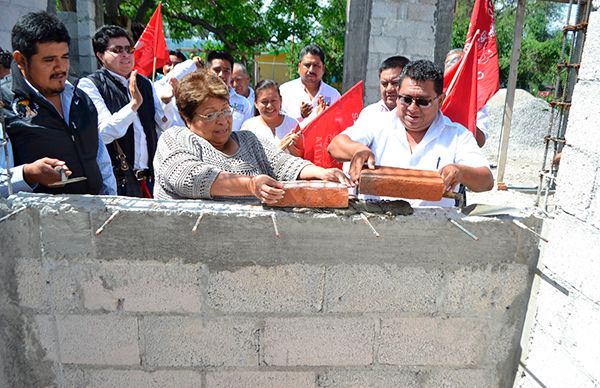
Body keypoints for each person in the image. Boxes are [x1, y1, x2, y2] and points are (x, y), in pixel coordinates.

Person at [153, 69, 351, 202]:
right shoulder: (174, 138)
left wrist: (322, 173)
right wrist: (251, 184)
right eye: (211, 115)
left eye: (225, 110)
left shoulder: (248, 140)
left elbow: (283, 163)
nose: (222, 120)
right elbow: (189, 177)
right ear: (187, 117)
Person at [328, 59, 493, 207]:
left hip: (433, 230)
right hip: (377, 224)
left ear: (440, 100)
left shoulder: (457, 135)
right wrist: (357, 150)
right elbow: (335, 145)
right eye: (406, 99)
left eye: (422, 102)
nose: (412, 108)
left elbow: (486, 181)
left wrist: (460, 171)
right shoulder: (376, 122)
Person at [2, 11, 116, 196]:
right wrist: (27, 174)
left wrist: (111, 203)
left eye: (64, 57)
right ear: (20, 60)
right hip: (34, 222)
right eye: (49, 60)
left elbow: (101, 162)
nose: (61, 67)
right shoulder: (4, 104)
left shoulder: (80, 98)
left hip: (94, 217)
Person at [78, 25, 178, 197]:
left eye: (128, 49)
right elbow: (104, 133)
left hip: (151, 180)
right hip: (117, 182)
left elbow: (163, 125)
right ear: (100, 55)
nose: (125, 55)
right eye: (117, 50)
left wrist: (168, 102)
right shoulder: (90, 85)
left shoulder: (144, 82)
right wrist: (134, 105)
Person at [157, 50, 253, 132]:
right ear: (207, 70)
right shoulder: (193, 98)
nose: (221, 75)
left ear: (231, 73)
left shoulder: (244, 103)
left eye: (226, 71)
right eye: (217, 69)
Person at [279, 44, 340, 128]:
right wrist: (300, 116)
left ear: (323, 69)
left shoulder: (333, 95)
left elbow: (339, 123)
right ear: (299, 67)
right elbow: (278, 123)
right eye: (307, 65)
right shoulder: (284, 91)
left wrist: (326, 117)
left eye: (316, 65)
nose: (311, 70)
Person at [240, 80, 303, 157]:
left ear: (281, 100)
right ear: (256, 103)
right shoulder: (248, 127)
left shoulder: (292, 124)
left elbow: (302, 157)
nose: (269, 106)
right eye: (264, 102)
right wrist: (279, 149)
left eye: (273, 101)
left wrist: (291, 148)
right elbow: (246, 158)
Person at [444, 48, 489, 148]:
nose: (453, 67)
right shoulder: (434, 91)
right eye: (450, 63)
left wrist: (464, 116)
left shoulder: (477, 100)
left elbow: (480, 142)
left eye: (458, 63)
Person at [358, 55, 409, 120]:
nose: (389, 89)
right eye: (384, 84)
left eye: (395, 83)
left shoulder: (416, 117)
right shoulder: (369, 114)